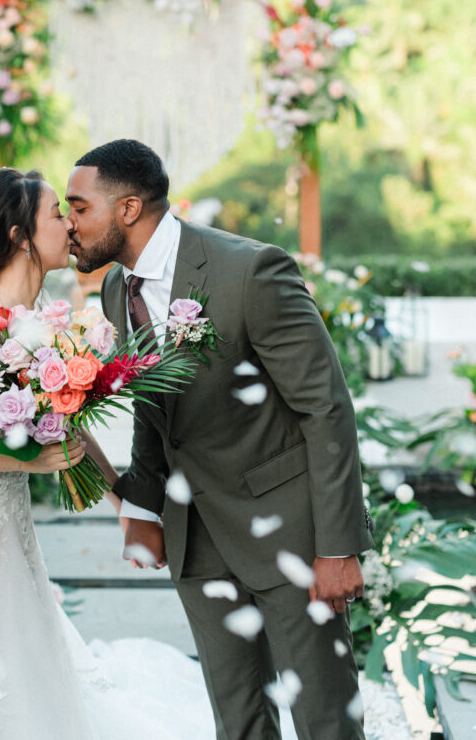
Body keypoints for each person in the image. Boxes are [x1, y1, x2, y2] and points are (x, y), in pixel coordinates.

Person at [0, 166, 217, 740]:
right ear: (20, 236)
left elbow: (64, 424)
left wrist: (124, 504)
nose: (71, 225)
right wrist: (28, 459)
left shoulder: (40, 322)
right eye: (58, 214)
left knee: (12, 663)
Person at [65, 139, 374, 740]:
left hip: (289, 533)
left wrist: (338, 546)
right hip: (194, 539)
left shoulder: (249, 270)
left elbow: (325, 406)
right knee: (237, 721)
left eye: (79, 208)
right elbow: (154, 413)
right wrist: (142, 508)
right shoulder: (114, 291)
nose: (69, 224)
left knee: (325, 719)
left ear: (128, 209)